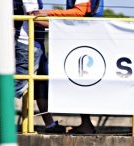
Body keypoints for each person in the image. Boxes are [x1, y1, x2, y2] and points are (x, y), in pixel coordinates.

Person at [0, 0, 66, 134]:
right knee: (18, 82)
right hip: (29, 44)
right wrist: (61, 26)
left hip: (35, 43)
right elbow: (33, 17)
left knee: (41, 84)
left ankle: (50, 124)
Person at [34, 0, 104, 134]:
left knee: (80, 81)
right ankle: (54, 124)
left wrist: (47, 14)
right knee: (44, 79)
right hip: (78, 40)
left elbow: (79, 13)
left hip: (83, 42)